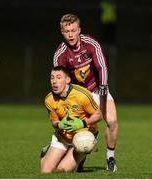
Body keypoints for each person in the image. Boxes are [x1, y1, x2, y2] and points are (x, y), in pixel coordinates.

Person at [53, 13, 118, 172]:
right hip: (78, 94)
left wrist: (102, 87)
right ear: (62, 32)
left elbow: (101, 66)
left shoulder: (91, 44)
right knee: (73, 127)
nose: (70, 35)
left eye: (73, 30)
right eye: (67, 31)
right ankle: (78, 153)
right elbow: (59, 79)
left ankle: (110, 157)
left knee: (112, 121)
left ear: (79, 30)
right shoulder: (60, 54)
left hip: (97, 88)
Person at [40, 66, 102, 173]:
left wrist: (82, 123)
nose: (54, 81)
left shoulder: (82, 94)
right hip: (63, 136)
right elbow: (54, 122)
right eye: (52, 78)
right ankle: (50, 151)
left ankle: (81, 154)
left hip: (83, 136)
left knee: (62, 170)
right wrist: (59, 124)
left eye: (59, 78)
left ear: (67, 80)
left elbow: (99, 115)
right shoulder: (49, 99)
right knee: (46, 171)